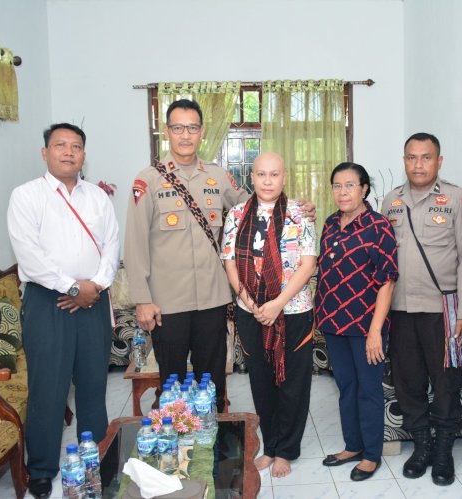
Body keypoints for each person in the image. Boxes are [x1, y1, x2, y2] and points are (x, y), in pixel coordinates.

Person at [125, 99, 314, 412]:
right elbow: (134, 244)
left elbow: (258, 204)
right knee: (171, 384)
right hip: (167, 301)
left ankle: (213, 445)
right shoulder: (148, 180)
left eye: (193, 128)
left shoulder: (218, 177)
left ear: (201, 133)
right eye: (178, 128)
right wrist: (141, 299)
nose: (185, 135)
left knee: (212, 382)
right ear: (167, 133)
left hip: (213, 299)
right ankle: (175, 448)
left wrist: (297, 208)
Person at [7, 123, 119, 499]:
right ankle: (41, 469)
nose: (69, 152)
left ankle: (98, 456)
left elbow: (111, 247)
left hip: (94, 300)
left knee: (92, 384)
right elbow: (29, 256)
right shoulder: (26, 196)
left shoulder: (98, 198)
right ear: (45, 153)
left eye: (76, 146)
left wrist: (95, 286)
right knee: (48, 388)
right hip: (47, 302)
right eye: (60, 146)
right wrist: (73, 287)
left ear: (84, 154)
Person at [381, 133, 462, 485]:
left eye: (425, 157)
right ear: (404, 160)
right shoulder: (391, 201)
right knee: (408, 383)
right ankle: (421, 446)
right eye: (411, 157)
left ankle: (443, 452)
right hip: (401, 309)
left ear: (439, 161)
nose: (418, 164)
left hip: (445, 309)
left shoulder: (457, 198)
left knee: (446, 382)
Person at [221, 151, 317, 478]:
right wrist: (249, 300)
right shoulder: (236, 215)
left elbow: (308, 264)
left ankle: (286, 451)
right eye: (261, 174)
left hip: (293, 311)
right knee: (261, 382)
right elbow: (230, 262)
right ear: (252, 177)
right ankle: (270, 446)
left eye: (274, 174)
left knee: (292, 384)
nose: (267, 181)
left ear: (284, 177)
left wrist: (277, 304)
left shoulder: (299, 214)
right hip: (252, 312)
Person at [316, 162, 398, 482]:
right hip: (333, 322)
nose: (342, 192)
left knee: (368, 390)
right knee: (346, 387)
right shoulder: (331, 223)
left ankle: (372, 454)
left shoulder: (378, 226)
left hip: (366, 325)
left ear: (364, 188)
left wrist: (376, 330)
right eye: (337, 185)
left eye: (350, 185)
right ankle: (353, 445)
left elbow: (387, 281)